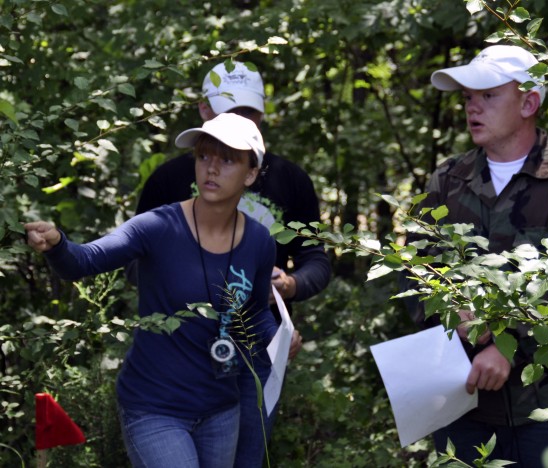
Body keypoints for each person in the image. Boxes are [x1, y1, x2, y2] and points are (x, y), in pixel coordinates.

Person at [25, 113, 277, 467]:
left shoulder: (259, 241)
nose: (212, 168)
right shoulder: (158, 226)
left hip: (222, 408)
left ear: (250, 173)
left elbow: (254, 312)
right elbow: (84, 261)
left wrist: (278, 336)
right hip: (155, 409)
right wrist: (57, 245)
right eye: (204, 156)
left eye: (228, 159)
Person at [403, 45, 548, 466]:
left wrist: (509, 344)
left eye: (488, 95)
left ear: (529, 102)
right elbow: (415, 270)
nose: (472, 107)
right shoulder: (447, 179)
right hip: (462, 401)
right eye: (467, 98)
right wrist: (451, 315)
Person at [135, 60, 332, 467]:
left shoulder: (289, 179)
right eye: (230, 111)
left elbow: (317, 259)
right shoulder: (168, 181)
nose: (243, 121)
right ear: (204, 110)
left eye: (250, 113)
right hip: (180, 351)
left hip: (258, 350)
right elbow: (136, 266)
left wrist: (289, 285)